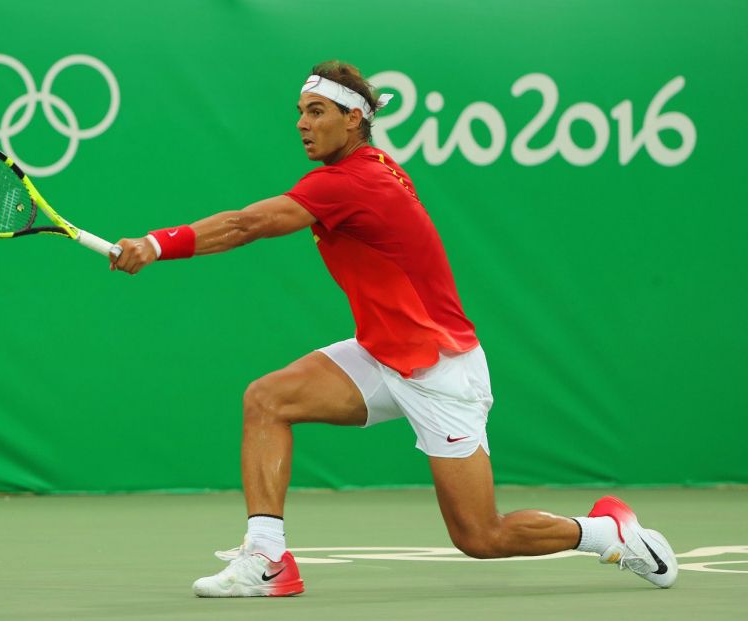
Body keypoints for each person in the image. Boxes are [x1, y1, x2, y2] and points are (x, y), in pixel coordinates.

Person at [109, 61, 678, 597]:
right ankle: (267, 559)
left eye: (316, 112)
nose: (302, 125)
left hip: (441, 370)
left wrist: (156, 244)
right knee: (268, 400)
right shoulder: (368, 167)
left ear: (353, 118)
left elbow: (246, 223)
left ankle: (608, 534)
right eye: (299, 112)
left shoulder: (353, 181)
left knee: (481, 536)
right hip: (383, 354)